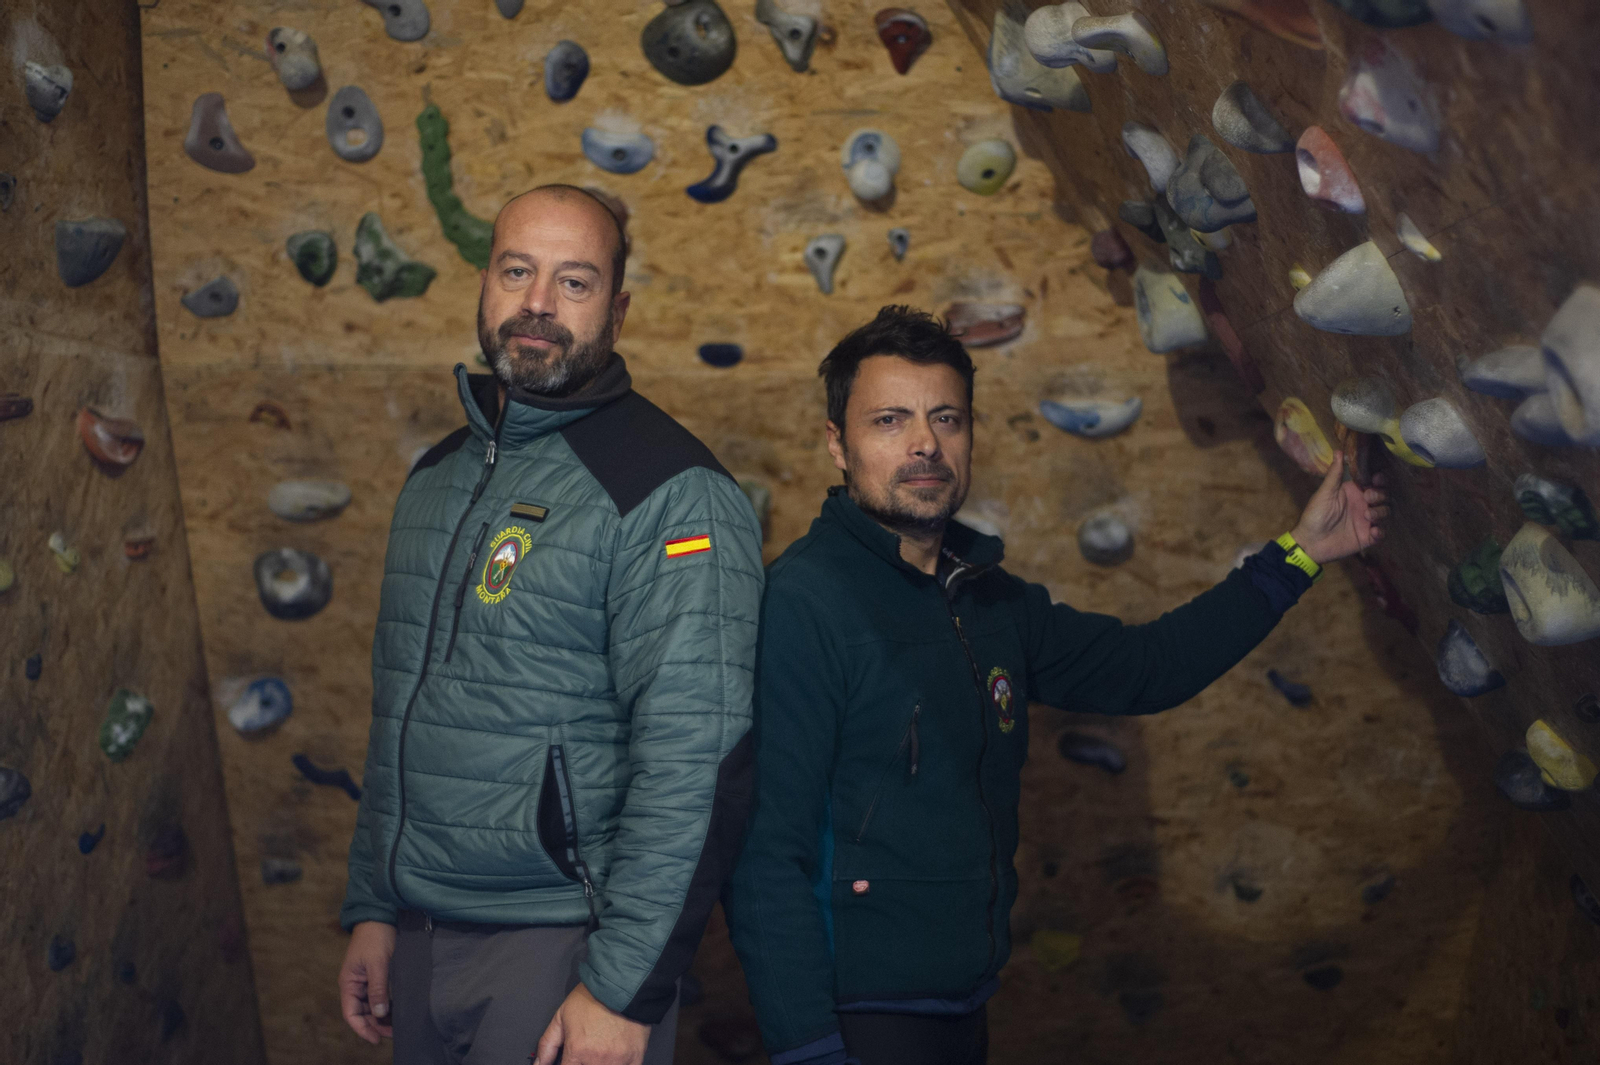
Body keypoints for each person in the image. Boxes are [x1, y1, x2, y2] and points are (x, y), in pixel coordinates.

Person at [724, 305, 1389, 1065]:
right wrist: (807, 1048)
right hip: (857, 1021)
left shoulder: (988, 600)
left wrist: (1300, 553)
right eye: (889, 420)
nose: (924, 443)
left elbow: (1149, 667)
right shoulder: (805, 603)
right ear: (837, 446)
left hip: (962, 1006)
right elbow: (764, 853)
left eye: (947, 417)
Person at [336, 185, 763, 1065]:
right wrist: (375, 905)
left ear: (618, 307)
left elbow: (696, 759)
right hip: (419, 932)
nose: (537, 303)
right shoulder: (437, 476)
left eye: (574, 281)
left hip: (560, 946)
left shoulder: (671, 489)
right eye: (517, 270)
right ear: (486, 280)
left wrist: (623, 989)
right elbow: (401, 713)